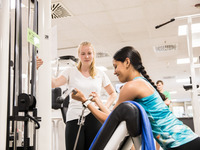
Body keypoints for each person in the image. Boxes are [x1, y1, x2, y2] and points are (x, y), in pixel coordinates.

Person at [72, 46, 200, 150]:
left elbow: (108, 121)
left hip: (182, 143)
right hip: (185, 140)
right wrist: (98, 102)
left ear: (127, 62)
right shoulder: (142, 82)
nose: (114, 71)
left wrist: (85, 101)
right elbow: (114, 117)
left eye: (116, 66)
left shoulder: (131, 86)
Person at [52, 41, 117, 150]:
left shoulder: (100, 73)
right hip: (74, 117)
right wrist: (41, 69)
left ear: (93, 55)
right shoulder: (70, 71)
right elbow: (54, 83)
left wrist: (102, 106)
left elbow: (113, 93)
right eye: (83, 53)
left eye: (89, 53)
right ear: (79, 55)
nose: (86, 56)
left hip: (94, 116)